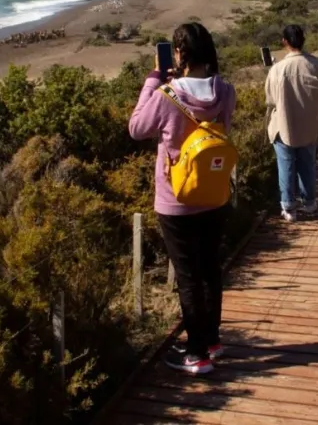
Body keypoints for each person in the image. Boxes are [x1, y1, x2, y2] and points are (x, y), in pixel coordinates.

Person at [128, 22, 237, 375]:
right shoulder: (226, 91)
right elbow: (223, 129)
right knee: (210, 270)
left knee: (188, 277)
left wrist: (151, 82)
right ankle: (212, 340)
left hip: (176, 199)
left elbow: (137, 129)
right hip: (215, 192)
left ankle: (196, 354)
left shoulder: (167, 95)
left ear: (179, 53)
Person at [265, 25, 318, 222]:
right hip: (309, 124)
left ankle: (289, 207)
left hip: (284, 124)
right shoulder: (316, 64)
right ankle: (310, 203)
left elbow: (270, 99)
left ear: (285, 42)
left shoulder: (277, 69)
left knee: (286, 165)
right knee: (307, 164)